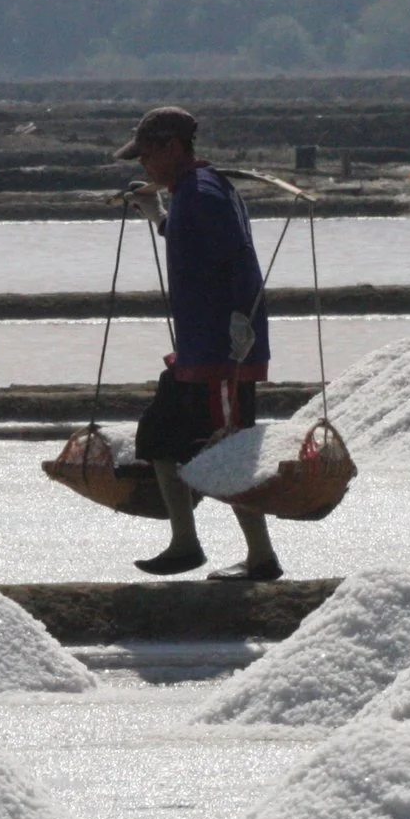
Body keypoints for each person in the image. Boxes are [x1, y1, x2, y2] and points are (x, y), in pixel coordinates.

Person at [116, 105, 281, 582]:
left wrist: (238, 325)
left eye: (147, 154)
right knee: (162, 437)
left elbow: (236, 259)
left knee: (226, 450)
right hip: (197, 351)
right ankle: (188, 544)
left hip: (221, 353)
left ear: (172, 147)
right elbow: (192, 242)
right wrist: (160, 217)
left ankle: (258, 557)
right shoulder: (190, 193)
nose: (143, 165)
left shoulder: (204, 193)